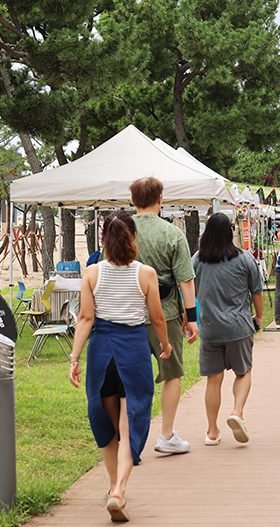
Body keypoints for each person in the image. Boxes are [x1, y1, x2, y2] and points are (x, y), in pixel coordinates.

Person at [68, 211, 171, 523]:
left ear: (103, 239)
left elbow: (85, 319)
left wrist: (74, 358)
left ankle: (114, 486)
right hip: (134, 353)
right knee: (129, 429)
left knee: (108, 428)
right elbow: (156, 318)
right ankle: (118, 491)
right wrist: (165, 345)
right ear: (133, 238)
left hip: (102, 355)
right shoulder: (146, 274)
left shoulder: (92, 273)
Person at [129, 177, 197, 455]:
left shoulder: (122, 231)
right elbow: (186, 281)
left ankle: (131, 442)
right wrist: (191, 317)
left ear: (133, 201)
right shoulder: (172, 233)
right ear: (160, 199)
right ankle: (166, 435)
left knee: (131, 378)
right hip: (166, 314)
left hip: (126, 316)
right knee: (172, 373)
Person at [192, 213, 264, 446]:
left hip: (210, 329)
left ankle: (212, 432)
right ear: (231, 232)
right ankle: (237, 412)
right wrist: (259, 316)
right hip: (238, 327)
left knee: (214, 380)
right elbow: (256, 292)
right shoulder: (244, 258)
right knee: (243, 372)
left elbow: (190, 293)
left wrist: (188, 319)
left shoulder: (197, 260)